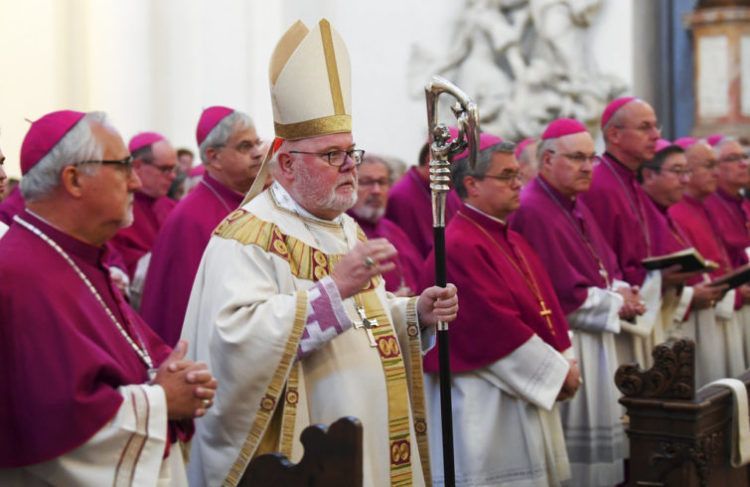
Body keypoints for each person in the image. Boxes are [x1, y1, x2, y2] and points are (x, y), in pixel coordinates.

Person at [180, 19, 458, 486]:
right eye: (332, 155)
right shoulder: (246, 236)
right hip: (308, 443)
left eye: (352, 151)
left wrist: (414, 315)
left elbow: (366, 315)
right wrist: (333, 291)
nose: (350, 165)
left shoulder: (343, 227)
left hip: (365, 427)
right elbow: (233, 342)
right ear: (286, 164)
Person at [0, 110, 217, 485]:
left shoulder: (80, 255)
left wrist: (176, 373)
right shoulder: (19, 276)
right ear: (73, 180)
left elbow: (132, 354)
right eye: (122, 167)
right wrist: (162, 400)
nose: (134, 181)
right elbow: (53, 424)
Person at [423, 133, 579, 486]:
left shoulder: (511, 238)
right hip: (484, 401)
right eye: (507, 176)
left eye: (518, 174)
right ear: (472, 184)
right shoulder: (459, 246)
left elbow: (545, 309)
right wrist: (558, 372)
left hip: (517, 392)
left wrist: (564, 360)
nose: (517, 183)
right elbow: (492, 329)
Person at [511, 119, 638, 486]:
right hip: (570, 344)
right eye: (577, 158)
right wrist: (616, 303)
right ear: (547, 160)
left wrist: (619, 290)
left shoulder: (571, 204)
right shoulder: (534, 208)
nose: (587, 167)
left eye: (591, 158)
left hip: (594, 340)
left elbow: (598, 267)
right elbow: (559, 292)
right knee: (578, 465)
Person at [140, 106, 264, 346]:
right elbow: (186, 307)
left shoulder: (254, 203)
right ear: (214, 157)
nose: (258, 153)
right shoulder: (191, 218)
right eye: (245, 146)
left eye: (257, 144)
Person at [579, 97, 689, 366]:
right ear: (615, 135)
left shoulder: (630, 181)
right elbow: (599, 260)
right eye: (645, 127)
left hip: (641, 308)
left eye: (656, 127)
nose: (656, 136)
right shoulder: (598, 185)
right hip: (618, 320)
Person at [666, 139, 742, 384]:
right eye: (709, 166)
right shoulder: (677, 210)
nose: (716, 173)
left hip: (719, 312)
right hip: (696, 320)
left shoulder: (702, 206)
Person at [347, 152, 423, 296]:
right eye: (366, 182)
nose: (376, 190)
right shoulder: (343, 231)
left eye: (382, 182)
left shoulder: (393, 230)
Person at [110, 131, 178, 282]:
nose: (173, 176)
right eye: (165, 169)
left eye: (174, 169)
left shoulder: (175, 208)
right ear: (137, 166)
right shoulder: (116, 209)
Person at [386, 140, 462, 258]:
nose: (462, 177)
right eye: (458, 170)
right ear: (433, 162)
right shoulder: (402, 197)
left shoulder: (448, 190)